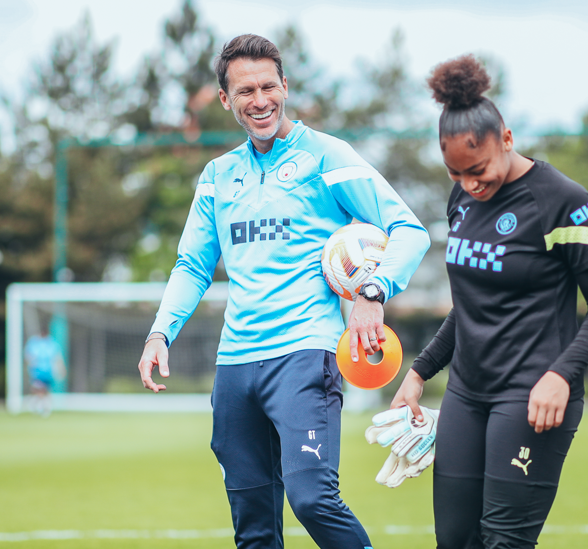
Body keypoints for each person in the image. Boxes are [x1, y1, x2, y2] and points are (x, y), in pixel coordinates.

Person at [136, 34, 430, 549]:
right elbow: (192, 264)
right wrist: (161, 331)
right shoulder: (216, 176)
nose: (260, 100)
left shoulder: (326, 156)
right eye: (245, 91)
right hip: (235, 364)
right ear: (226, 100)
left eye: (269, 86)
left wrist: (372, 291)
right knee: (252, 527)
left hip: (305, 353)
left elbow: (409, 229)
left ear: (286, 87)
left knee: (313, 498)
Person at [390, 55, 588, 549]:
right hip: (466, 394)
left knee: (503, 543)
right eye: (456, 174)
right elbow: (470, 306)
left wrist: (562, 375)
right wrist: (419, 373)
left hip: (532, 394)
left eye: (477, 170)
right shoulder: (462, 201)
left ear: (508, 138)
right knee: (455, 541)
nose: (470, 185)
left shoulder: (565, 202)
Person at [24, 324, 65, 417]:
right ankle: (41, 407)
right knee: (39, 390)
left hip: (47, 371)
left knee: (43, 390)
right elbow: (29, 356)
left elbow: (57, 357)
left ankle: (41, 407)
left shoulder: (51, 343)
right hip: (38, 371)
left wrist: (61, 369)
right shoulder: (34, 342)